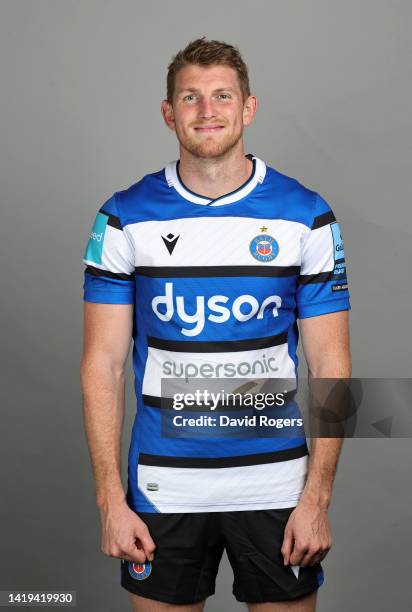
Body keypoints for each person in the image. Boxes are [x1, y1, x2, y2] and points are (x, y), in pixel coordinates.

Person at [80, 37, 351, 612]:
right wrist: (110, 500)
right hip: (161, 492)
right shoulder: (122, 217)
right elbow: (101, 365)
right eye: (191, 98)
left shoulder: (307, 216)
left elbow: (332, 365)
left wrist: (318, 498)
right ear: (168, 112)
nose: (208, 111)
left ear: (248, 107)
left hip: (278, 490)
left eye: (222, 96)